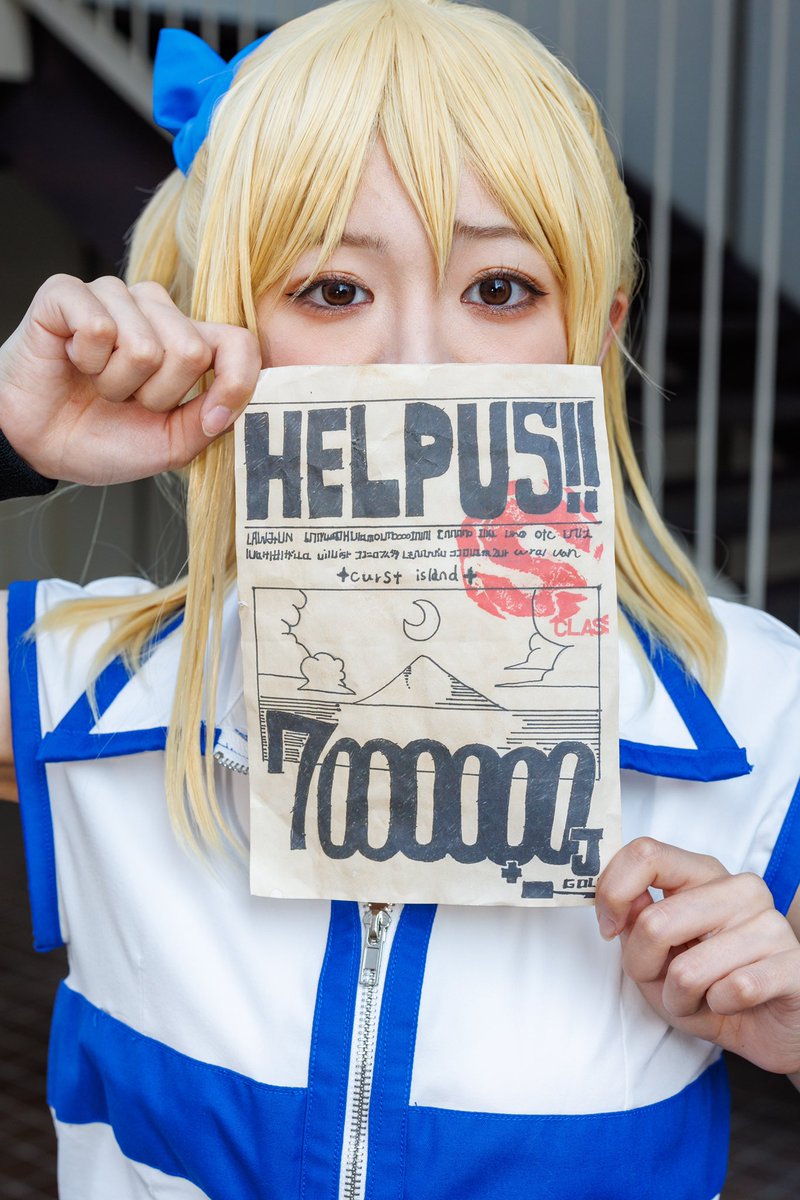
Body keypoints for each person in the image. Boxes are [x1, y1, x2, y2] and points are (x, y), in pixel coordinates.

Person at [0, 1, 798, 1196]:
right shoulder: (88, 683)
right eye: (331, 289)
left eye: (500, 288)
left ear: (592, 339)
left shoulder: (761, 707)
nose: (415, 358)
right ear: (225, 336)